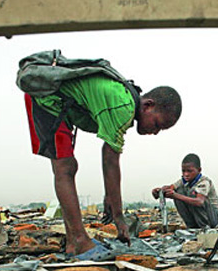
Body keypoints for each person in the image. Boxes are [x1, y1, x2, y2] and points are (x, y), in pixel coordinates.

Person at [24, 73, 182, 260]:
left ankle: (72, 242)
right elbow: (110, 161)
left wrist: (110, 197)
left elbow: (109, 159)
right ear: (148, 105)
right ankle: (80, 241)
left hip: (60, 104)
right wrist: (118, 216)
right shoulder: (123, 106)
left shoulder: (124, 100)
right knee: (65, 168)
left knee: (67, 166)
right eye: (157, 124)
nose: (155, 132)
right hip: (48, 100)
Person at [152, 153, 218, 229]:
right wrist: (160, 191)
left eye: (190, 171)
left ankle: (204, 227)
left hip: (212, 218)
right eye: (183, 171)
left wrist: (175, 195)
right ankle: (192, 227)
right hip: (197, 218)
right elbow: (171, 188)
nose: (186, 174)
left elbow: (199, 201)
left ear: (199, 170)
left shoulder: (204, 182)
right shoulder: (183, 181)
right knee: (179, 191)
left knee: (191, 194)